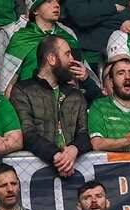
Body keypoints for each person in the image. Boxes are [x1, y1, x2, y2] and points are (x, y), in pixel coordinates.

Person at [10, 35, 90, 175]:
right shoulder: (23, 90)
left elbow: (84, 132)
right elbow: (27, 133)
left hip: (75, 169)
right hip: (35, 171)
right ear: (52, 59)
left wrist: (74, 149)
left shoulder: (75, 94)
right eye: (67, 54)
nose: (72, 59)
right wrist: (57, 156)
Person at [1, 0, 81, 90]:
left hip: (63, 98)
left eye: (57, 2)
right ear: (34, 10)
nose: (56, 5)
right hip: (28, 99)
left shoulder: (67, 37)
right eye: (49, 1)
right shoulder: (21, 38)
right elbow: (9, 81)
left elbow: (77, 76)